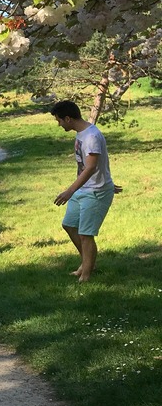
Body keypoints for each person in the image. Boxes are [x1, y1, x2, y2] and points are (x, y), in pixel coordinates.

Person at [51, 100, 121, 282]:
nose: (59, 124)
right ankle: (88, 262)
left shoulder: (91, 137)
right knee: (69, 225)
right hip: (85, 188)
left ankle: (86, 276)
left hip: (95, 191)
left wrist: (69, 191)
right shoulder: (82, 133)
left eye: (59, 120)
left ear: (68, 118)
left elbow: (90, 168)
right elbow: (91, 166)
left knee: (85, 234)